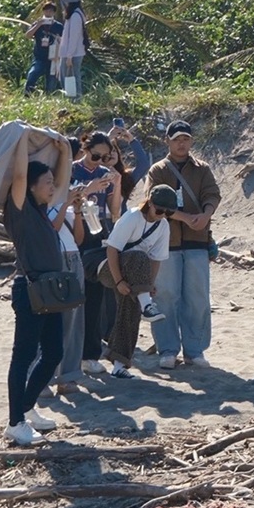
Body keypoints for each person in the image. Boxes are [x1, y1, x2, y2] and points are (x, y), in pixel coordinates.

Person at [3, 129, 73, 446]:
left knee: (53, 353)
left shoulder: (43, 210)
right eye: (45, 183)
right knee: (24, 356)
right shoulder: (19, 208)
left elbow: (62, 185)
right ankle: (15, 422)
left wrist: (66, 153)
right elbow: (19, 174)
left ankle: (28, 408)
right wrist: (21, 139)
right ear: (31, 187)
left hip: (50, 289)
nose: (51, 187)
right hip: (29, 289)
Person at [145, 120, 222, 369]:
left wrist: (206, 214)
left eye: (186, 138)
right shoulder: (158, 169)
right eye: (176, 138)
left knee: (197, 297)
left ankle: (195, 349)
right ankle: (168, 349)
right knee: (166, 296)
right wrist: (185, 217)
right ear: (167, 141)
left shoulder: (202, 169)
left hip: (197, 241)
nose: (181, 143)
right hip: (165, 242)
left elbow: (212, 194)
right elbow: (152, 200)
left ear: (191, 140)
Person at [100, 186, 175, 378]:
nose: (162, 215)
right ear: (149, 203)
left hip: (135, 275)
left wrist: (148, 285)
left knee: (129, 311)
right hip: (108, 267)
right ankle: (147, 306)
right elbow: (112, 250)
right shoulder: (133, 217)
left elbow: (156, 259)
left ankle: (119, 366)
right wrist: (118, 281)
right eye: (159, 210)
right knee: (138, 256)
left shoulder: (163, 225)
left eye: (169, 212)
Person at [75, 132, 122, 376]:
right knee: (75, 299)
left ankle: (90, 355)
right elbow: (63, 198)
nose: (100, 161)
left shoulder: (105, 173)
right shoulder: (72, 170)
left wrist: (117, 184)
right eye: (96, 155)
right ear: (85, 148)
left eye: (105, 157)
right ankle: (74, 354)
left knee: (95, 297)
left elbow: (114, 212)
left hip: (100, 233)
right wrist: (88, 189)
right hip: (77, 232)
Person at [48, 187, 88, 396]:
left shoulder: (67, 205)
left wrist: (78, 211)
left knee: (73, 319)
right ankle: (44, 377)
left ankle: (69, 376)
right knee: (50, 318)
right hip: (52, 260)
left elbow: (79, 239)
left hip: (73, 258)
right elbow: (52, 228)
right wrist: (65, 204)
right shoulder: (40, 204)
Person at [24, 3, 62, 94]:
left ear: (54, 13)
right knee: (32, 74)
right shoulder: (37, 24)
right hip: (39, 57)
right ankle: (27, 94)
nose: (48, 13)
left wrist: (58, 39)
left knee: (51, 83)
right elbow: (28, 35)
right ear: (43, 11)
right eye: (46, 10)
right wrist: (38, 24)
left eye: (51, 11)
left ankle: (49, 98)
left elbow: (64, 41)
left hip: (53, 58)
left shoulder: (59, 26)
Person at [57, 0, 87, 99]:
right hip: (71, 52)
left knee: (71, 78)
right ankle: (73, 99)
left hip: (72, 54)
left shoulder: (75, 16)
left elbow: (74, 37)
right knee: (71, 78)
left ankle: (75, 99)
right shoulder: (76, 14)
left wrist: (69, 56)